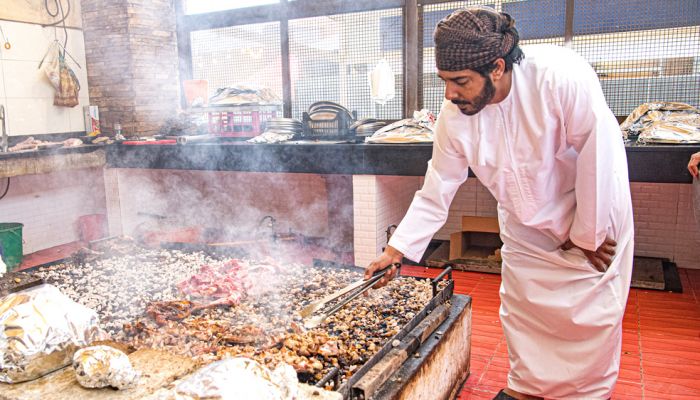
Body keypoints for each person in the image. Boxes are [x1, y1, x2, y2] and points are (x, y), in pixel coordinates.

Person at [365, 6, 634, 400]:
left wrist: (588, 235)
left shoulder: (559, 77)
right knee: (525, 315)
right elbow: (438, 185)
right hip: (524, 225)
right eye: (443, 81)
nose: (449, 93)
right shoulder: (454, 116)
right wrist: (396, 250)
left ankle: (586, 394)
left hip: (589, 218)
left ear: (496, 67)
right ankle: (527, 390)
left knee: (588, 320)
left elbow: (600, 155)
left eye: (460, 81)